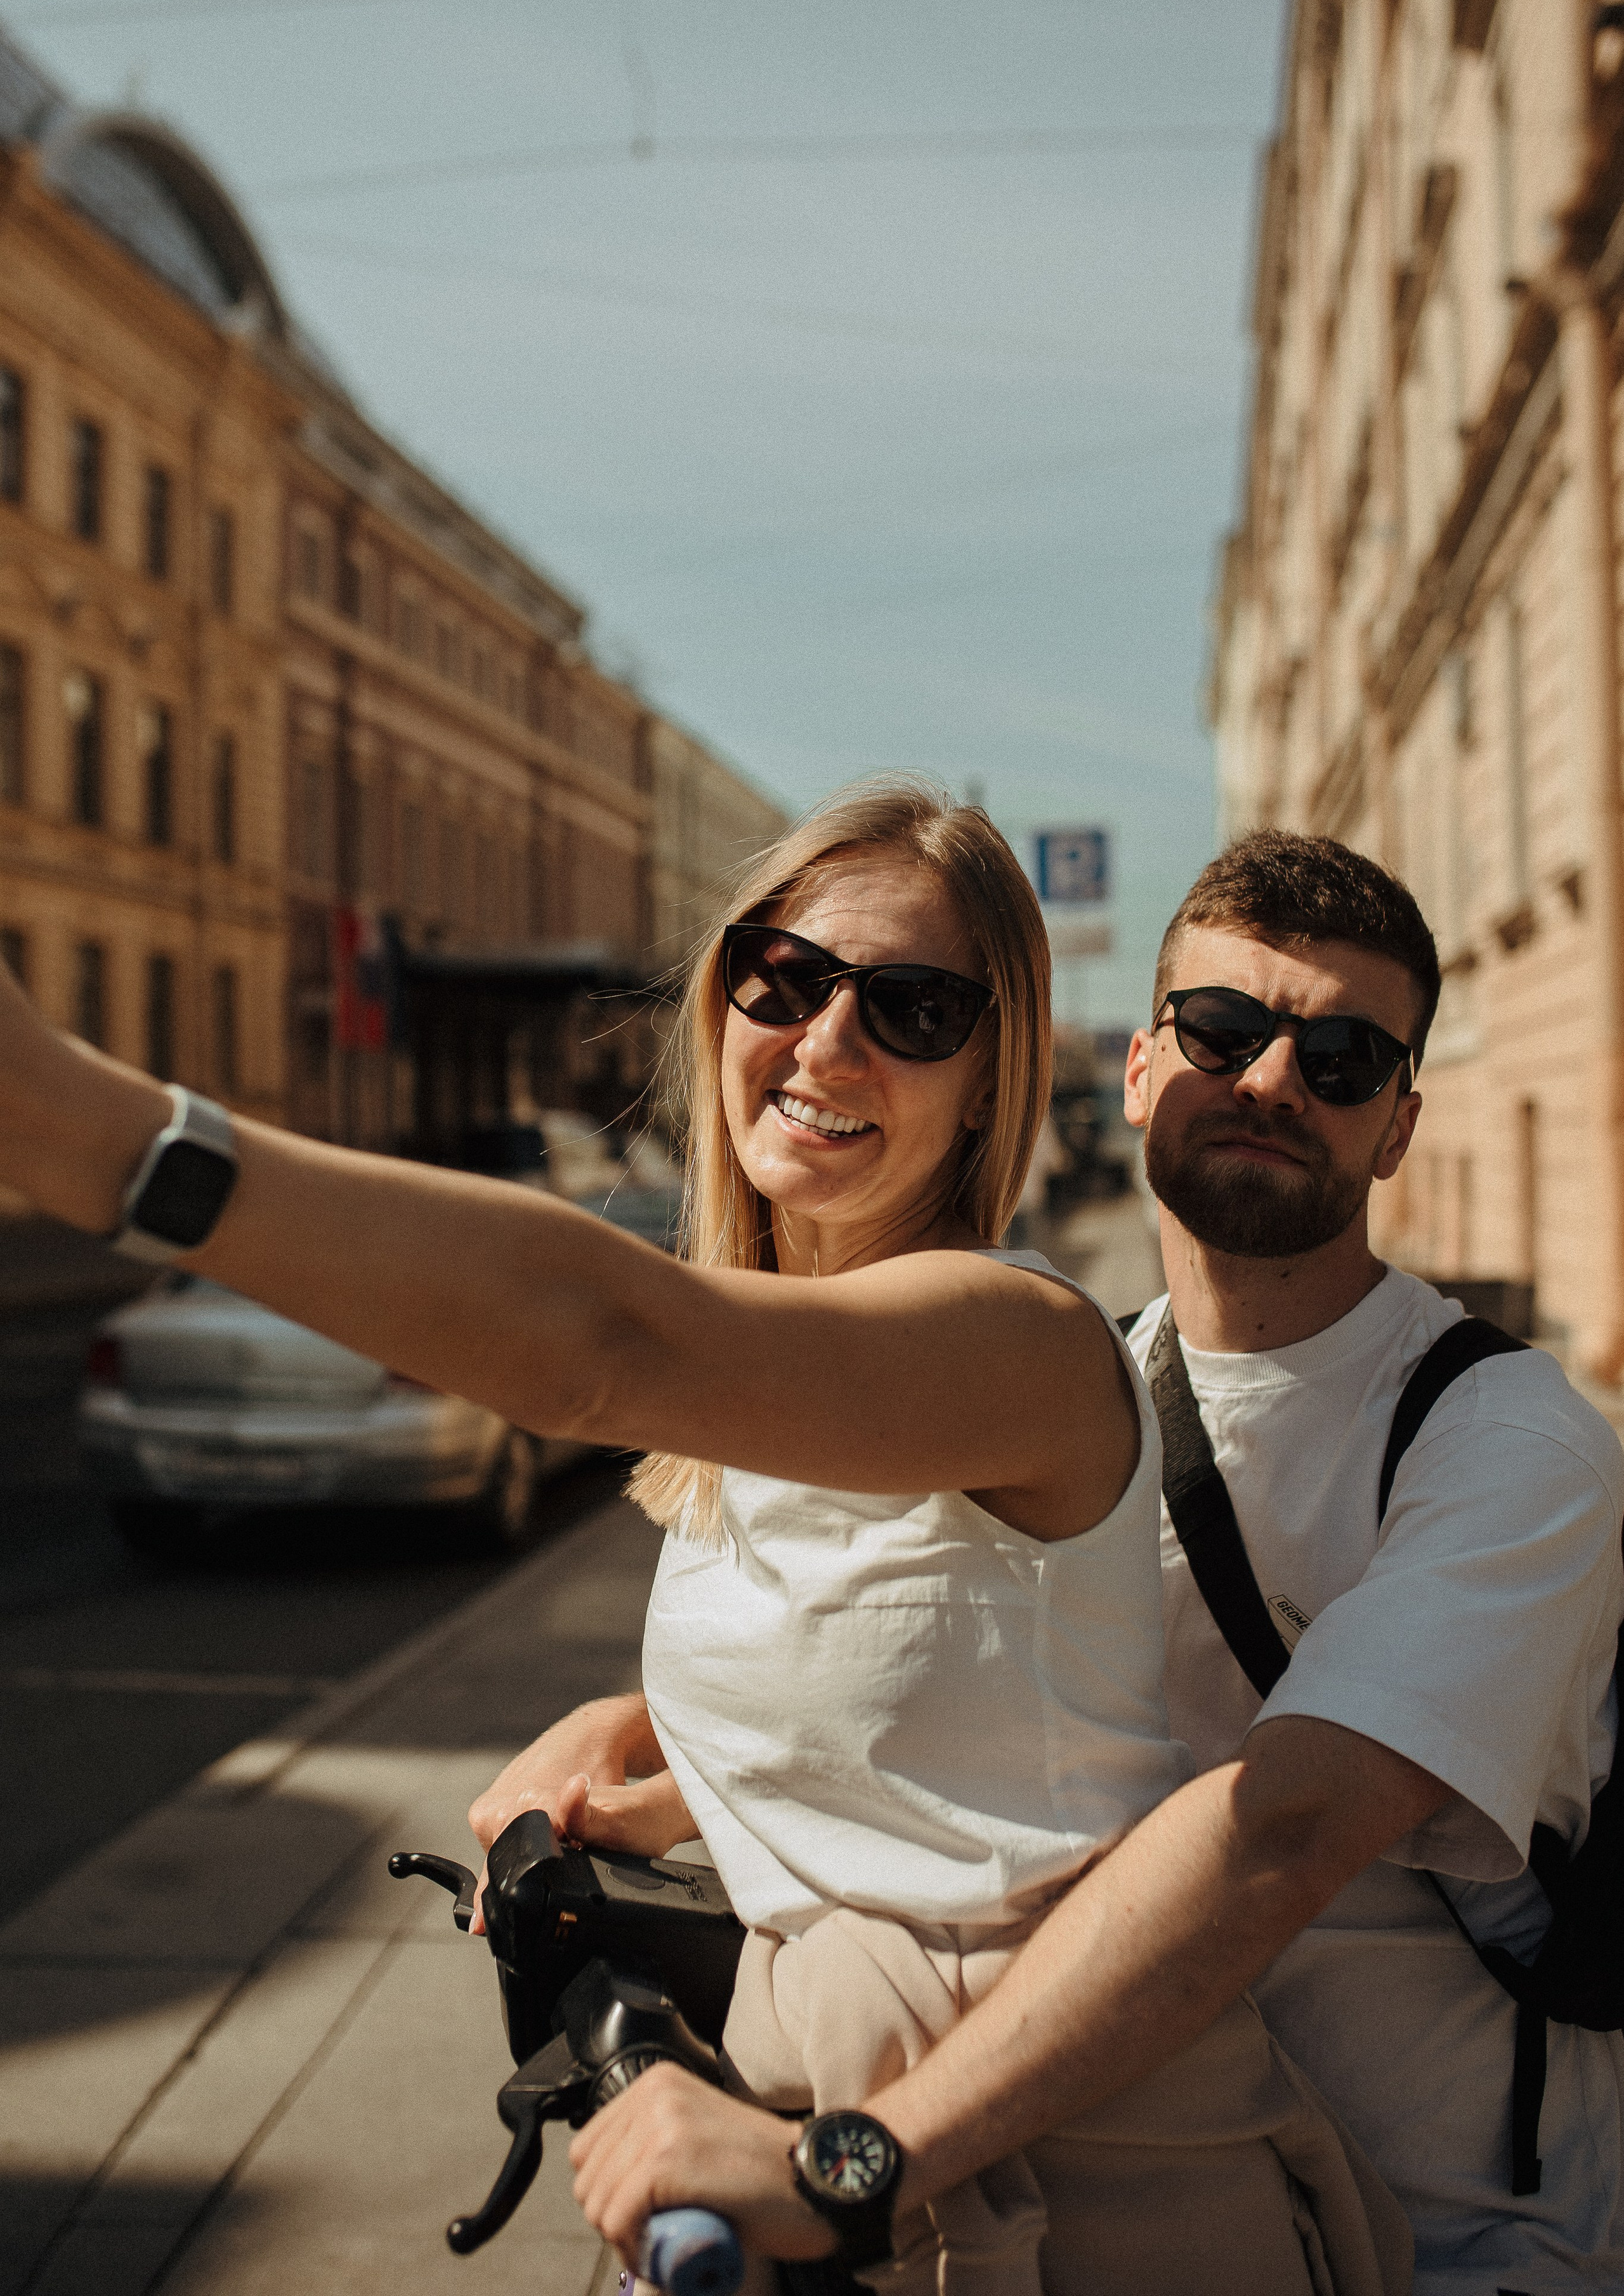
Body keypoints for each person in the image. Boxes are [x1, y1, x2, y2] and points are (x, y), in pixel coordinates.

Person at [0, 781, 1401, 2296]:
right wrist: (658, 1764)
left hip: (1088, 2181)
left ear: (993, 1081)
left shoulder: (1015, 1337)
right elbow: (966, 1713)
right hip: (798, 2135)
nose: (824, 1041)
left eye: (914, 1009)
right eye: (783, 977)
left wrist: (98, 1138)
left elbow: (592, 1341)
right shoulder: (766, 1389)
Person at [526, 831, 1624, 2295]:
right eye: (1222, 1030)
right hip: (1119, 2188)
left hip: (1459, 2241)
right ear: (1136, 1067)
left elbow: (1279, 1826)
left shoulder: (1503, 1438)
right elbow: (972, 1702)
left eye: (1342, 1057)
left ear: (1399, 1125)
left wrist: (846, 2164)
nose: (1271, 1081)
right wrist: (650, 1745)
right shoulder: (1083, 1386)